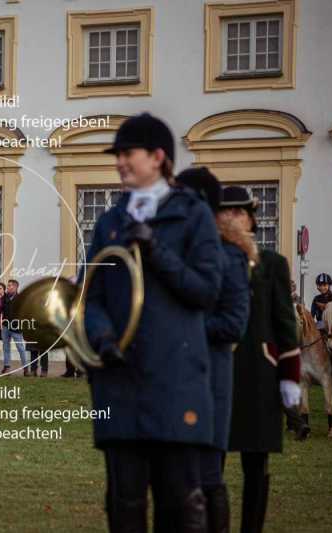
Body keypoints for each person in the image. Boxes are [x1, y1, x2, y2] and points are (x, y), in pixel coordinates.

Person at [83, 113, 223, 532]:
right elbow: (90, 295)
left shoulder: (193, 215)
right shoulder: (110, 221)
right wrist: (102, 337)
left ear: (158, 157)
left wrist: (156, 249)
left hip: (175, 383)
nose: (120, 162)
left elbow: (205, 290)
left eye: (128, 153)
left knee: (178, 508)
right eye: (118, 155)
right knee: (123, 506)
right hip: (119, 384)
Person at [177, 167, 254, 533]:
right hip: (174, 380)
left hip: (211, 379)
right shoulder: (181, 252)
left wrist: (178, 329)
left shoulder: (230, 257)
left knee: (208, 476)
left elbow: (232, 325)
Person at [224, 186, 302, 533]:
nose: (233, 219)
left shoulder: (273, 264)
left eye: (239, 212)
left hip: (259, 374)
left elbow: (285, 322)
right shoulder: (210, 261)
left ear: (251, 217)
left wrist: (289, 377)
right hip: (219, 373)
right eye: (225, 213)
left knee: (256, 464)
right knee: (210, 464)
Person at [0, 279, 28, 376]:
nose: (8, 287)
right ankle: (7, 367)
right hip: (5, 327)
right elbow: (1, 309)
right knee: (6, 347)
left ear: (15, 287)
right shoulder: (4, 297)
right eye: (7, 286)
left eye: (10, 286)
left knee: (20, 348)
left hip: (16, 328)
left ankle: (26, 368)